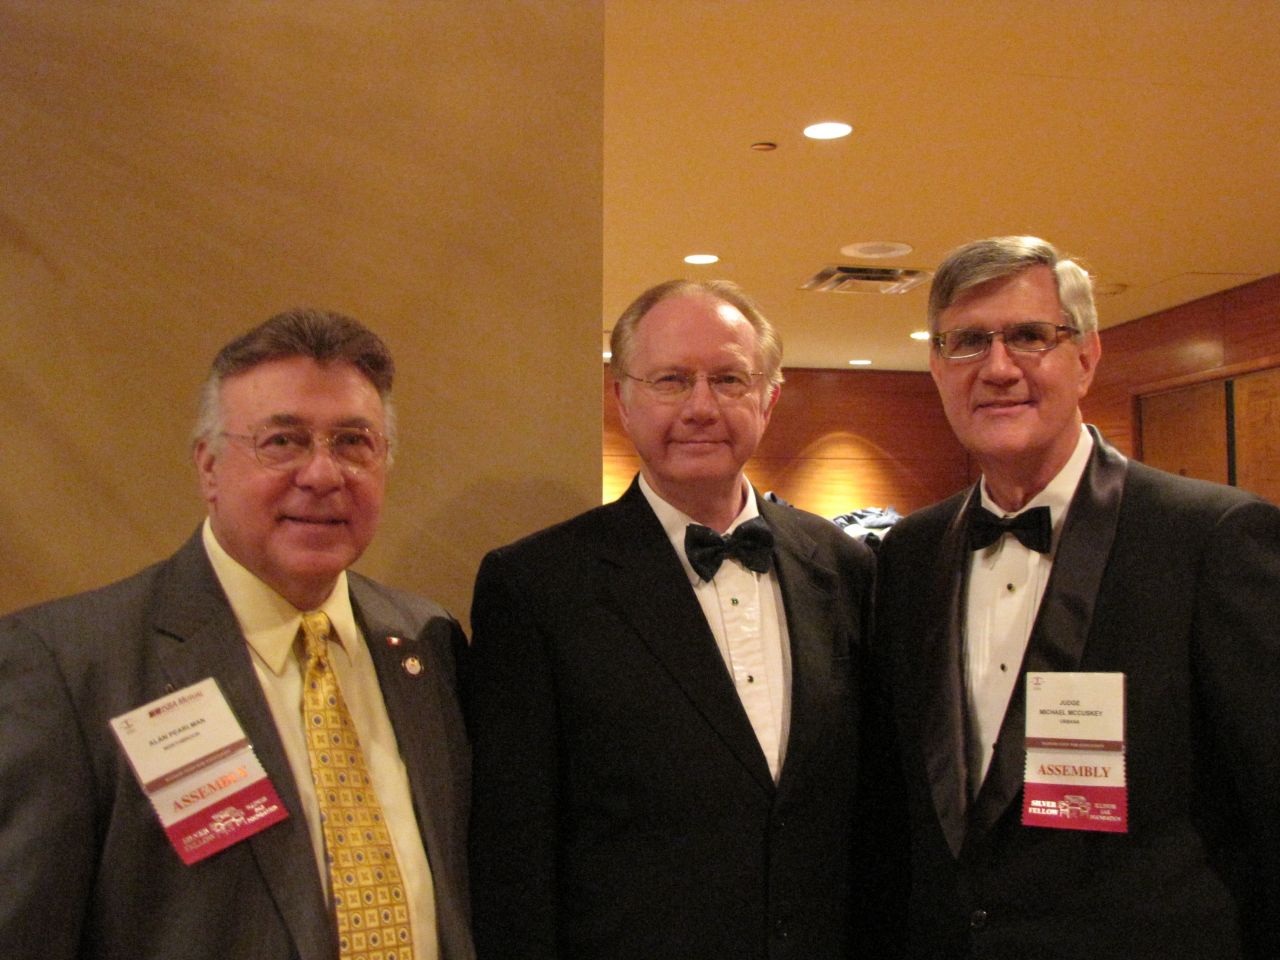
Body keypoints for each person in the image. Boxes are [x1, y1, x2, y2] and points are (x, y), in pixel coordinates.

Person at [0, 309, 474, 960]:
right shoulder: (68, 667)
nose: (322, 474)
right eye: (282, 441)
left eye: (353, 442)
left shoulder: (427, 641)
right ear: (209, 468)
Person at [874, 236, 1280, 959]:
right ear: (937, 367)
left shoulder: (1210, 538)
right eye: (968, 342)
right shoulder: (910, 552)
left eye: (1031, 336)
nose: (999, 368)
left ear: (1087, 357)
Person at [465, 279, 881, 959]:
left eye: (729, 379)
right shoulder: (537, 586)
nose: (701, 407)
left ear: (769, 398)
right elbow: (515, 855)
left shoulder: (843, 566)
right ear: (622, 399)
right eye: (670, 380)